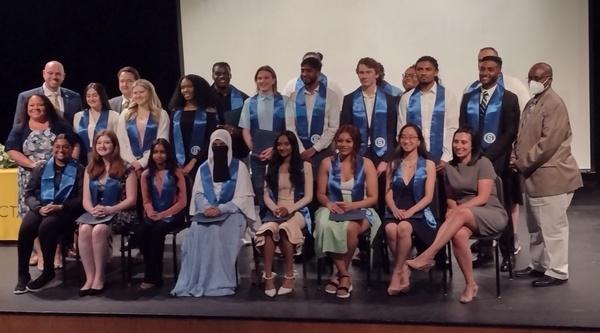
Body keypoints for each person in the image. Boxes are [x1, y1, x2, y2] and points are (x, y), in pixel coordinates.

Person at [406, 127, 508, 303]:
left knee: (461, 212)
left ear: (472, 145)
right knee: (459, 236)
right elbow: (451, 198)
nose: (459, 146)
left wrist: (457, 210)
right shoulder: (449, 168)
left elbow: (483, 197)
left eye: (463, 142)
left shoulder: (483, 163)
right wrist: (451, 209)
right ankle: (470, 284)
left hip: (491, 212)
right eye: (456, 142)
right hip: (465, 215)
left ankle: (429, 255)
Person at [512, 62, 583, 287]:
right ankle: (540, 264)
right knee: (536, 226)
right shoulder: (533, 102)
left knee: (553, 227)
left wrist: (521, 162)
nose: (532, 81)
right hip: (534, 176)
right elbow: (523, 134)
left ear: (549, 79)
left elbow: (548, 143)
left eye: (537, 77)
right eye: (530, 76)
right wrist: (515, 153)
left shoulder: (554, 104)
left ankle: (558, 271)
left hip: (552, 176)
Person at [171, 129, 257, 297]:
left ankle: (220, 281)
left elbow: (243, 198)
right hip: (207, 213)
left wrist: (221, 209)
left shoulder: (239, 168)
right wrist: (206, 208)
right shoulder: (203, 169)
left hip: (233, 214)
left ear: (229, 146)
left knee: (218, 232)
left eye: (222, 145)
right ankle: (199, 279)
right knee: (196, 230)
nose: (219, 147)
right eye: (215, 145)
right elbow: (198, 194)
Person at [459, 55, 520, 269]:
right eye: (482, 68)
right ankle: (484, 253)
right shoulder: (469, 97)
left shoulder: (510, 98)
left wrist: (487, 156)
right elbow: (463, 129)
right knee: (478, 207)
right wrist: (472, 156)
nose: (485, 73)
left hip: (498, 164)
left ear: (499, 72)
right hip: (473, 164)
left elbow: (510, 131)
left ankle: (508, 255)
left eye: (490, 69)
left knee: (499, 208)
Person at [313, 125, 381, 299]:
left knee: (351, 228)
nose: (343, 144)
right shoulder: (327, 163)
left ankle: (339, 273)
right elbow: (320, 193)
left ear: (355, 143)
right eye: (340, 141)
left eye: (348, 141)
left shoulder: (367, 164)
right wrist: (328, 203)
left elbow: (373, 197)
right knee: (323, 224)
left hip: (360, 207)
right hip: (333, 206)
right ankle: (344, 275)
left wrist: (354, 205)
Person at [14, 134, 85, 294]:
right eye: (58, 147)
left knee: (46, 227)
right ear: (53, 149)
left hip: (65, 211)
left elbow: (81, 199)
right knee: (26, 228)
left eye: (65, 147)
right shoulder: (42, 167)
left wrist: (61, 207)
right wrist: (38, 208)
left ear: (71, 149)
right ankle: (23, 275)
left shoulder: (80, 170)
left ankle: (48, 272)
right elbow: (29, 193)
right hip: (42, 207)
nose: (61, 150)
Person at [78, 130, 137, 296]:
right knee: (83, 229)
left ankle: (99, 277)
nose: (102, 146)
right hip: (97, 212)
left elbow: (131, 200)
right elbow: (86, 200)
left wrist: (110, 209)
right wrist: (93, 210)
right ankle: (89, 278)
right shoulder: (90, 169)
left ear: (115, 146)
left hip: (120, 212)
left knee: (99, 230)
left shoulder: (127, 168)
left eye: (106, 142)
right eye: (99, 143)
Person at [255, 131, 313, 297]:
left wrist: (290, 208)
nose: (282, 147)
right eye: (279, 144)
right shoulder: (271, 165)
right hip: (276, 210)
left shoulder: (304, 166)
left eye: (286, 144)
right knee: (267, 230)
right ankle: (268, 277)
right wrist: (274, 208)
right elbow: (265, 194)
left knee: (284, 229)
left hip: (297, 210)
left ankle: (289, 275)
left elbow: (309, 196)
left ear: (293, 146)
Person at [340, 57, 399, 215]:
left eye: (368, 72)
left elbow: (393, 132)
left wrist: (386, 159)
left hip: (382, 156)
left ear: (377, 74)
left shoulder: (391, 100)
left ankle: (380, 233)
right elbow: (344, 131)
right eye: (361, 72)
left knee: (381, 195)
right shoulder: (349, 100)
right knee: (359, 193)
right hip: (357, 154)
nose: (364, 76)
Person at [384, 124, 436, 295]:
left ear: (419, 141)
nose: (407, 140)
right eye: (403, 137)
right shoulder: (393, 164)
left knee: (404, 227)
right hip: (396, 209)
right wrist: (394, 209)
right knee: (391, 228)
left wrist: (411, 211)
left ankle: (397, 271)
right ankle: (405, 269)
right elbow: (388, 194)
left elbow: (428, 197)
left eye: (412, 137)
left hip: (418, 211)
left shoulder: (428, 164)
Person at [139, 139, 187, 290]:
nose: (159, 156)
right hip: (154, 214)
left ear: (168, 154)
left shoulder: (177, 172)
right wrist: (151, 212)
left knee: (157, 230)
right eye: (156, 152)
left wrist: (164, 214)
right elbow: (146, 200)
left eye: (162, 152)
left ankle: (153, 276)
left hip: (174, 214)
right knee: (143, 230)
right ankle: (151, 272)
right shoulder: (146, 175)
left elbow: (182, 202)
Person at [238, 65, 288, 208]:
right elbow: (245, 130)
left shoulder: (285, 101)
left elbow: (288, 130)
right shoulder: (249, 103)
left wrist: (275, 149)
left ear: (273, 80)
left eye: (266, 77)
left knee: (280, 187)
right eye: (259, 78)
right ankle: (264, 220)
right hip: (257, 156)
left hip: (280, 153)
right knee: (259, 188)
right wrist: (255, 149)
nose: (262, 81)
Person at [399, 56, 459, 169]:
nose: (423, 73)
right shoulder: (406, 98)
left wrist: (446, 157)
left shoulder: (448, 96)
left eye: (428, 69)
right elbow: (401, 129)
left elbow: (452, 128)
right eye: (420, 69)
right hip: (413, 160)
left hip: (441, 160)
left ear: (436, 72)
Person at [285, 56, 341, 175]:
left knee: (322, 187)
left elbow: (333, 127)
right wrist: (301, 150)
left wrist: (314, 149)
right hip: (299, 151)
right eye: (302, 70)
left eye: (309, 71)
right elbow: (290, 127)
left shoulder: (331, 96)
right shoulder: (293, 97)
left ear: (318, 72)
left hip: (323, 151)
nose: (305, 74)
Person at [168, 74, 218, 179]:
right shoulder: (176, 112)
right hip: (179, 165)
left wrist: (194, 161)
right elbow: (172, 139)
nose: (185, 90)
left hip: (202, 162)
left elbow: (210, 139)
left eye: (189, 86)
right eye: (182, 88)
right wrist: (177, 163)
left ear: (198, 88)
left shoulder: (209, 112)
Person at [116, 79, 170, 173]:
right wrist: (133, 162)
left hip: (155, 164)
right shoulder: (126, 114)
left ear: (150, 93)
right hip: (129, 166)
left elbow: (162, 140)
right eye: (135, 93)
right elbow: (121, 141)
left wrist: (142, 163)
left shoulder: (161, 114)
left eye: (141, 92)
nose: (138, 95)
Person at [13, 60, 82, 126]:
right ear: (44, 73)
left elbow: (79, 126)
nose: (54, 77)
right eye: (50, 73)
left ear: (63, 76)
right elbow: (18, 126)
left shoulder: (75, 97)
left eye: (58, 74)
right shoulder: (26, 96)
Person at [211, 62, 250, 160]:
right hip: (213, 151)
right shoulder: (204, 98)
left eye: (225, 73)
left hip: (239, 151)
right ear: (212, 76)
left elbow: (250, 125)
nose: (222, 76)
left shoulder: (243, 98)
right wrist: (220, 128)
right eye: (218, 74)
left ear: (230, 75)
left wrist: (237, 131)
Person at [73, 82, 120, 164]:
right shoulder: (78, 116)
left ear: (101, 96)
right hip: (83, 160)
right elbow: (75, 140)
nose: (91, 99)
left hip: (107, 159)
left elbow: (118, 141)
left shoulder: (113, 116)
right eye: (88, 96)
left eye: (95, 95)